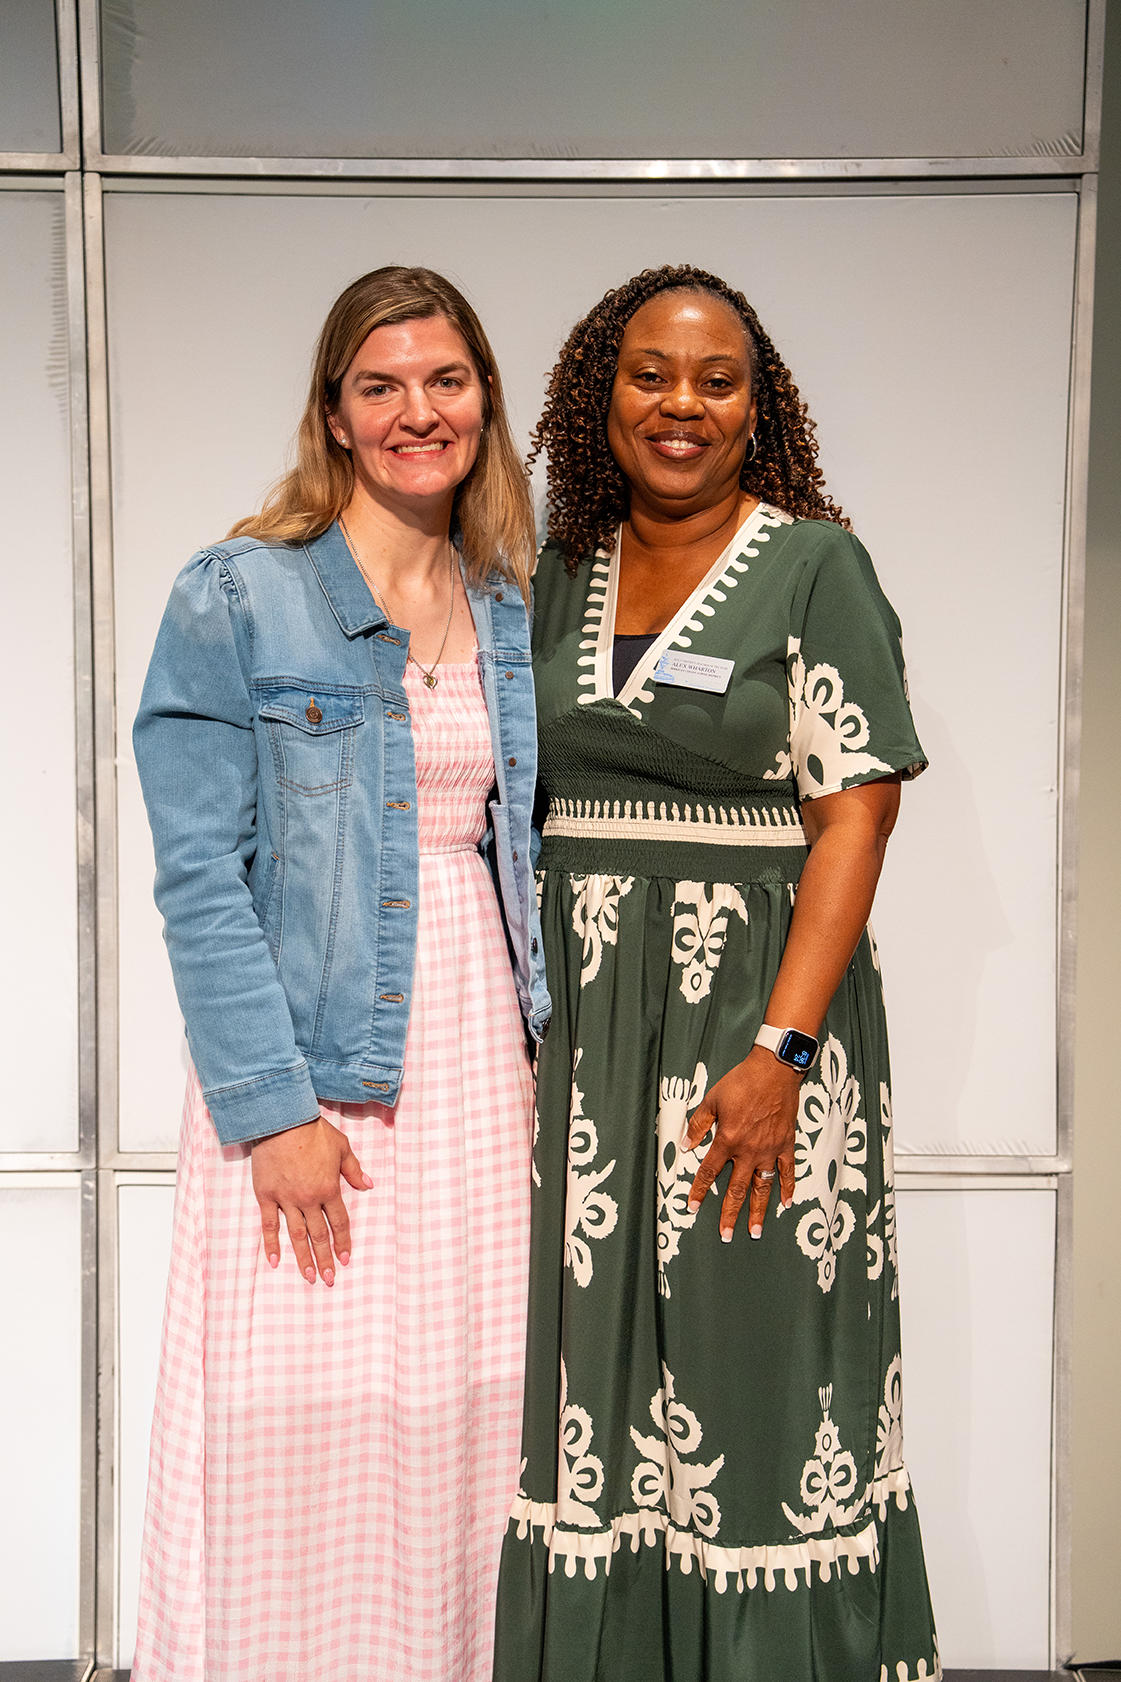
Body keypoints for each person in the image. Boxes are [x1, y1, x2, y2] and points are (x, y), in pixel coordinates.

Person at [493, 265, 939, 1681]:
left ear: (759, 407)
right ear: (598, 392)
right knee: (596, 1395)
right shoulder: (556, 569)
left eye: (717, 379)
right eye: (650, 373)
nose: (681, 404)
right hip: (589, 1053)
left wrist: (783, 1055)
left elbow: (854, 814)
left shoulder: (815, 565)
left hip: (754, 1033)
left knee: (755, 1390)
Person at [130, 266, 550, 1682]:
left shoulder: (505, 605)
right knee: (304, 1423)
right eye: (381, 384)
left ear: (483, 402)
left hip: (480, 1074)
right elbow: (198, 875)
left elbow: (513, 853)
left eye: (444, 380)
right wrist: (272, 1108)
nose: (415, 411)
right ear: (334, 411)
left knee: (467, 1424)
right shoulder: (240, 592)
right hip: (318, 1068)